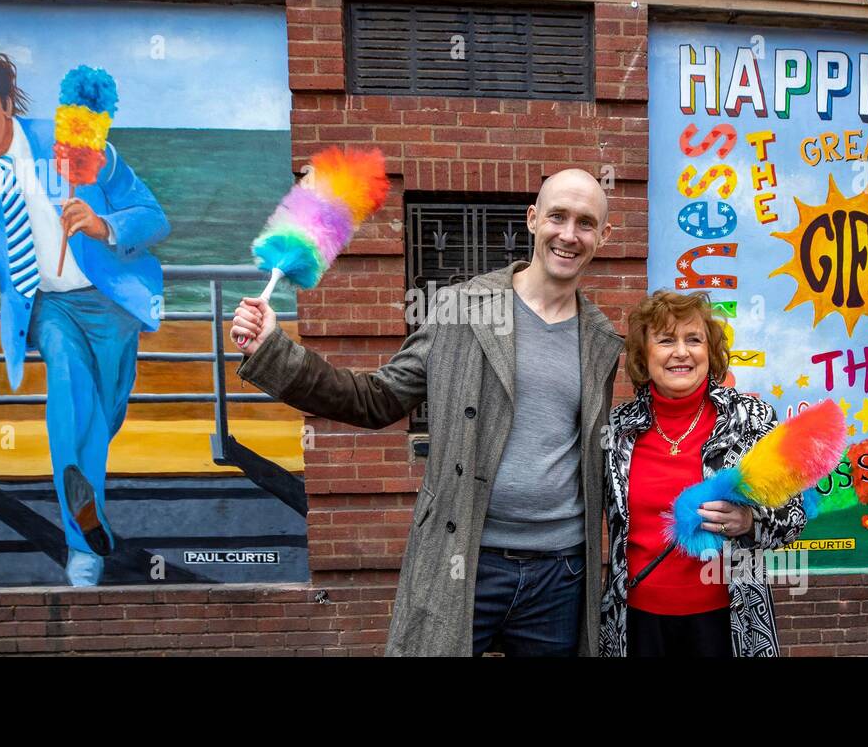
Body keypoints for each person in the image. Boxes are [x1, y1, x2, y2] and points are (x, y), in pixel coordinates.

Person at [231, 168, 623, 656]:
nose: (569, 234)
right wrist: (273, 350)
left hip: (561, 573)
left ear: (603, 235)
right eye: (557, 217)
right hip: (462, 557)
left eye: (585, 223)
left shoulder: (602, 340)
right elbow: (376, 399)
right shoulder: (462, 308)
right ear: (532, 219)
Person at [0, 28, 170, 586]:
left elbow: (153, 217)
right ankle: (83, 545)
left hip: (112, 303)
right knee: (68, 400)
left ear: (6, 101)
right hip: (49, 309)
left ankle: (89, 507)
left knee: (101, 420)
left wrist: (104, 226)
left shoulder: (71, 139)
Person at [599, 290, 806, 657]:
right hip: (637, 624)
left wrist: (750, 520)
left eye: (693, 340)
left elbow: (795, 515)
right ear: (644, 357)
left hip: (728, 621)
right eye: (665, 340)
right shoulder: (617, 430)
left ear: (709, 353)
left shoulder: (750, 420)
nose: (681, 352)